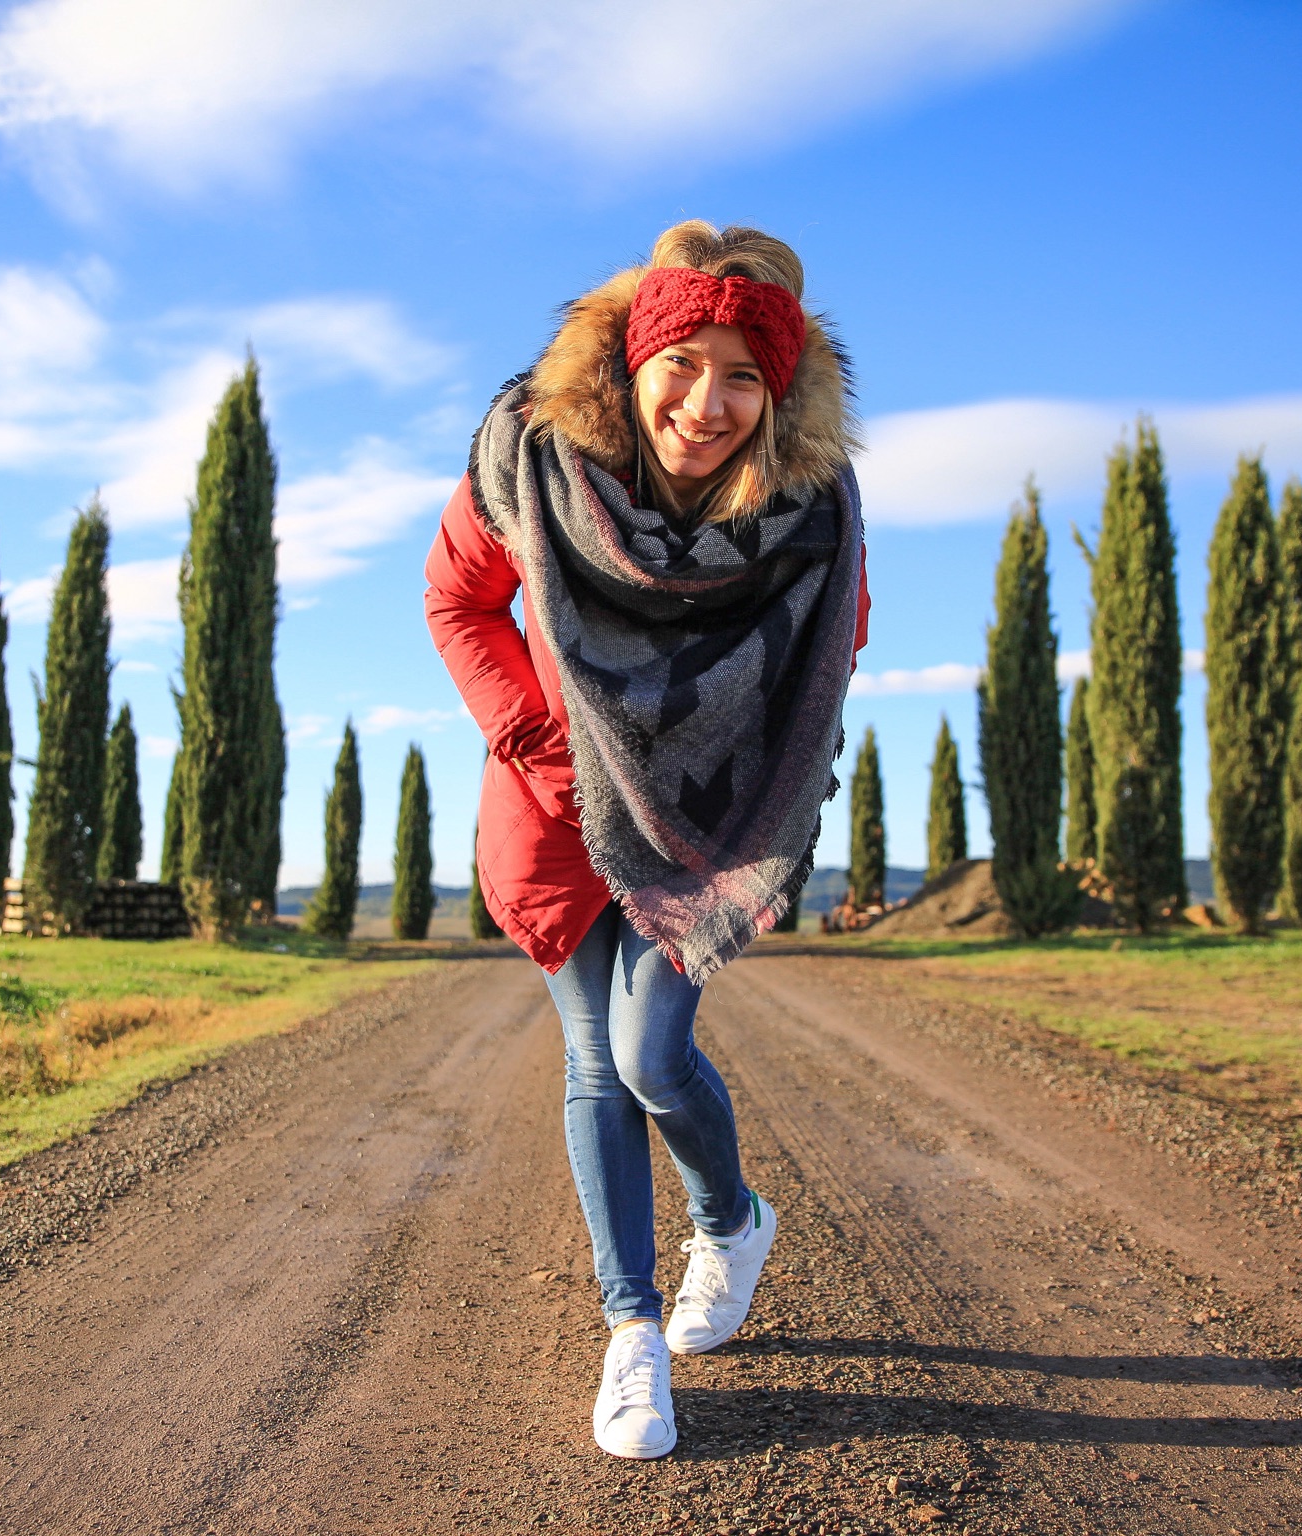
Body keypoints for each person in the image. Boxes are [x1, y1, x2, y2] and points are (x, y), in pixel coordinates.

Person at [425, 220, 868, 1459]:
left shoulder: (809, 507)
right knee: (589, 1060)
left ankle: (730, 1219)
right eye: (686, 362)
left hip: (713, 813)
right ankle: (631, 1341)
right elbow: (456, 597)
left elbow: (829, 662)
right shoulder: (536, 450)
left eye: (745, 377)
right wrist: (545, 743)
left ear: (778, 394)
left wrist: (752, 784)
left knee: (651, 1056)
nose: (707, 402)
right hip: (560, 796)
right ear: (637, 353)